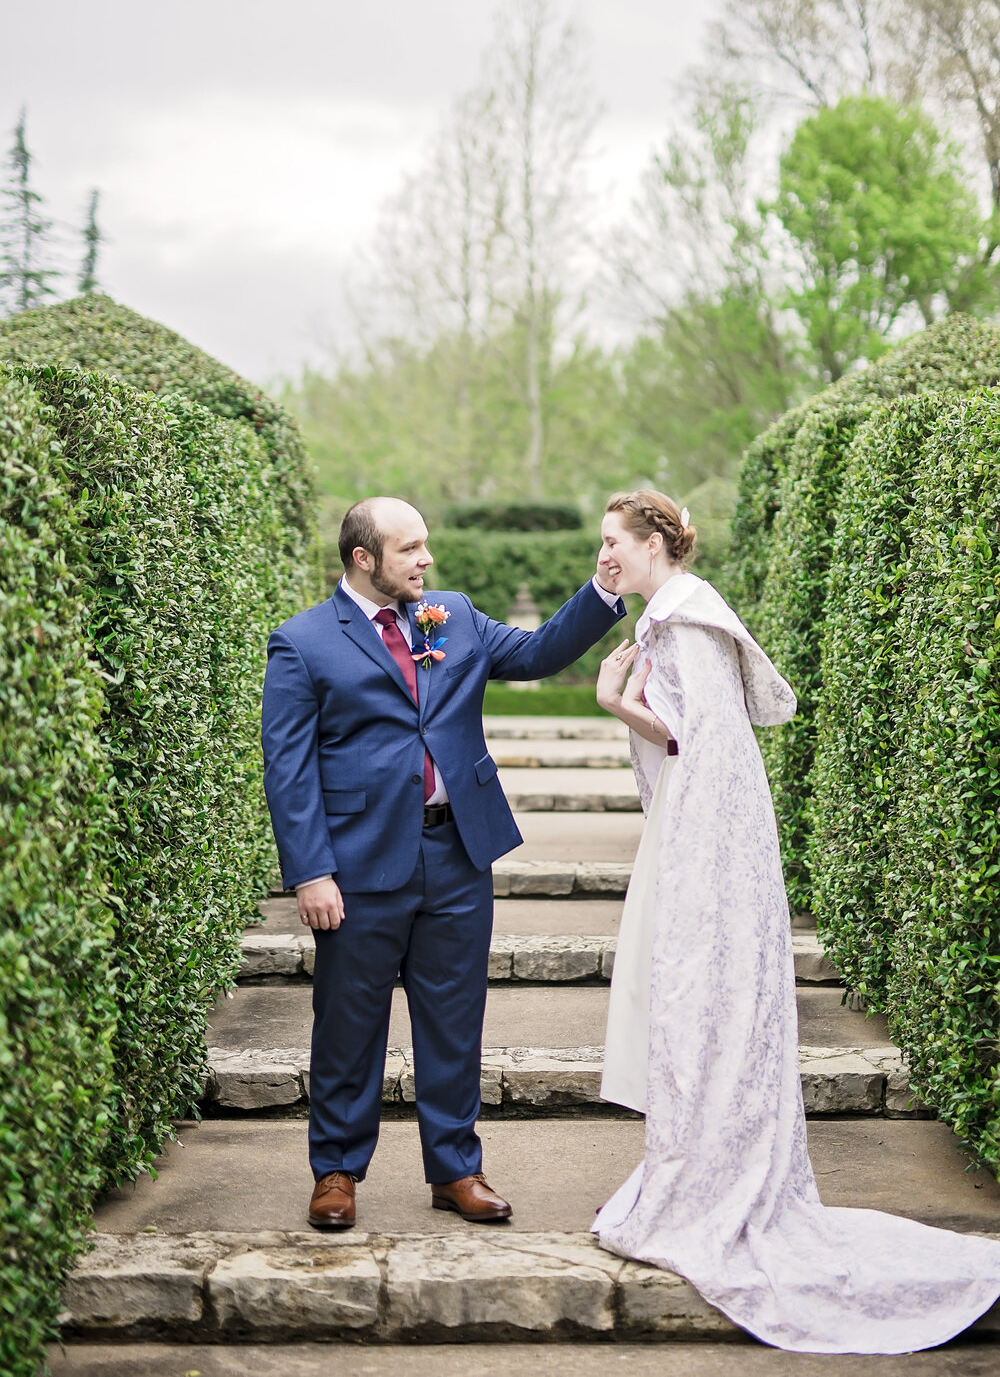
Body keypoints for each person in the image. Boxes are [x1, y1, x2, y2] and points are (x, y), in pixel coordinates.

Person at [590, 488, 1000, 1355]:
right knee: (687, 1012)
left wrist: (622, 711)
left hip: (710, 849)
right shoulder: (668, 619)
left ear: (656, 543)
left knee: (705, 1004)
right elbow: (689, 740)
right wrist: (620, 703)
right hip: (696, 841)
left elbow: (713, 756)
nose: (603, 560)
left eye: (612, 544)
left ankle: (710, 1187)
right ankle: (694, 1172)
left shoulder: (688, 620)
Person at [261, 495, 625, 1231]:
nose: (426, 560)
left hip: (459, 852)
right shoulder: (301, 643)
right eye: (410, 549)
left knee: (456, 1021)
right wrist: (310, 872)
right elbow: (288, 768)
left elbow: (536, 654)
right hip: (358, 867)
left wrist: (604, 591)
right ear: (364, 560)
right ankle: (335, 1172)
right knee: (347, 1025)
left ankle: (456, 1170)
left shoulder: (452, 614)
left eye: (425, 546)